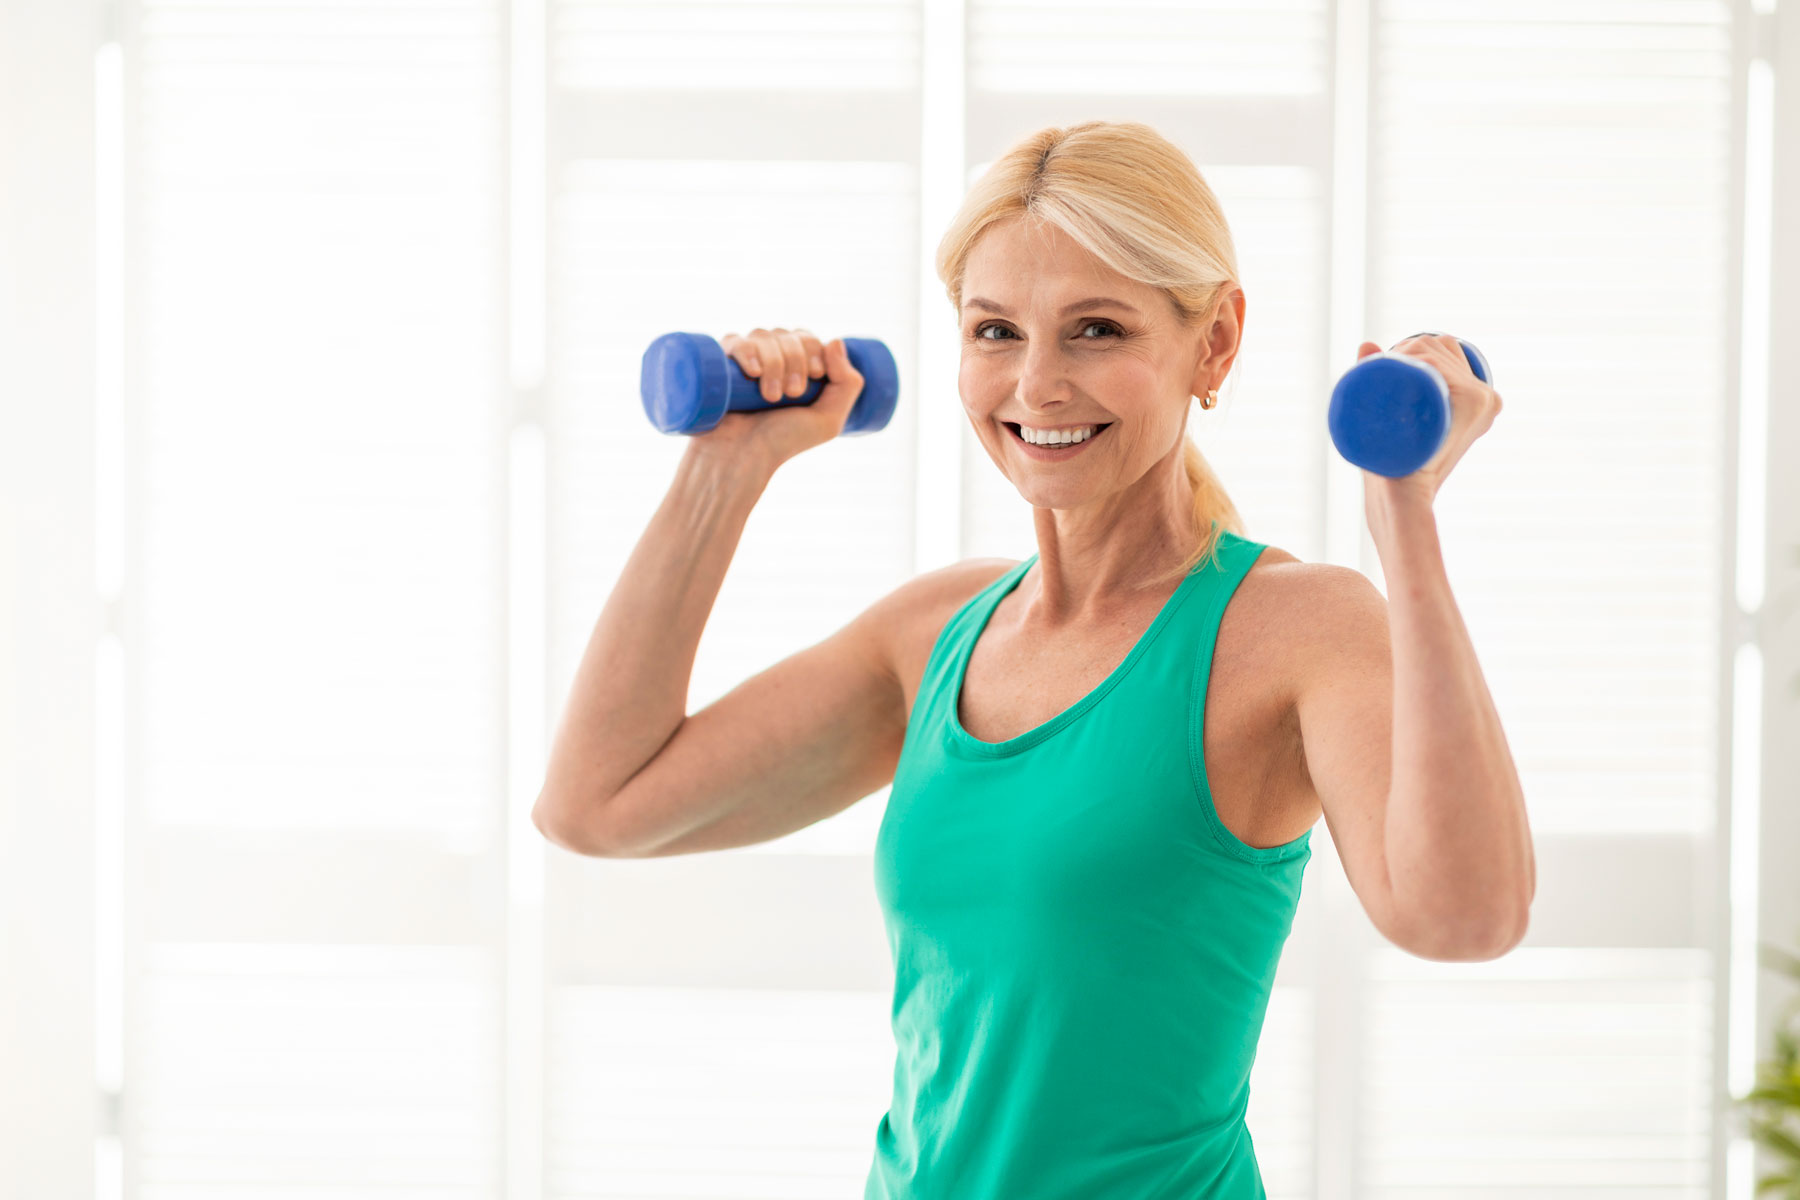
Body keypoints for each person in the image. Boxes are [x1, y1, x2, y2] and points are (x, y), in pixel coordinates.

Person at [531, 119, 1535, 1199]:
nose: (1038, 384)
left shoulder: (1293, 630)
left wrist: (1406, 516)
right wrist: (725, 471)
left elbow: (1463, 917)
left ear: (1216, 343)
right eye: (996, 330)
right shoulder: (935, 634)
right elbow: (597, 804)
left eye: (1097, 329)